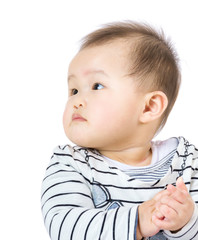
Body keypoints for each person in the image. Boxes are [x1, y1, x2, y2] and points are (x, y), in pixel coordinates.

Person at [41, 21, 198, 240]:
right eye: (74, 90)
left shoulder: (186, 163)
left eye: (97, 86)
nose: (76, 100)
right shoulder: (70, 164)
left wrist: (185, 223)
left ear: (149, 107)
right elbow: (66, 227)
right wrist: (139, 222)